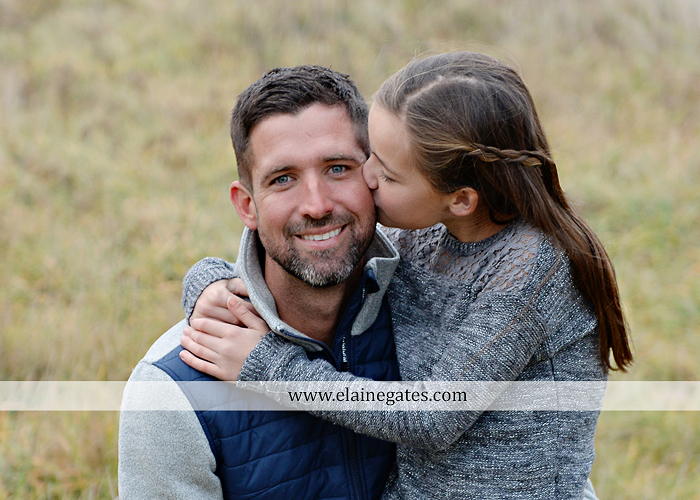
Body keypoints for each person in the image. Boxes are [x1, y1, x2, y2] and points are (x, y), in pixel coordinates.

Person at [179, 52, 633, 499]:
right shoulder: (428, 233)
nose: (366, 176)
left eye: (389, 175)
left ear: (461, 199)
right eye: (370, 156)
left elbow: (432, 418)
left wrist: (271, 370)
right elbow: (314, 254)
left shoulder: (527, 272)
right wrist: (209, 282)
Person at [118, 65, 404, 499]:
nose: (316, 205)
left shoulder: (432, 315)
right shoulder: (172, 392)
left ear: (374, 176)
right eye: (283, 179)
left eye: (337, 168)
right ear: (247, 205)